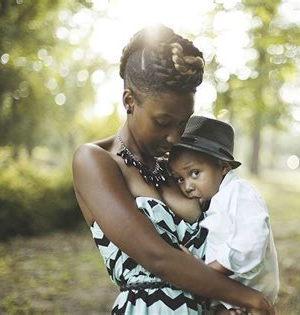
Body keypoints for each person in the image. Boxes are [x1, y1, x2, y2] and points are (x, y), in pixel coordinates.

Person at [72, 24, 275, 314]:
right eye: (163, 122)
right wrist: (250, 299)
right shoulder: (95, 161)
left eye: (183, 123)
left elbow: (221, 247)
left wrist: (223, 307)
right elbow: (157, 257)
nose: (174, 137)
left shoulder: (181, 173)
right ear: (129, 101)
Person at [167, 116, 279, 313]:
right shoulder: (211, 200)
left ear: (223, 166)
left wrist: (206, 272)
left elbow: (251, 242)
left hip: (251, 295)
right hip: (227, 302)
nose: (187, 186)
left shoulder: (239, 191)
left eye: (194, 173)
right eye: (179, 179)